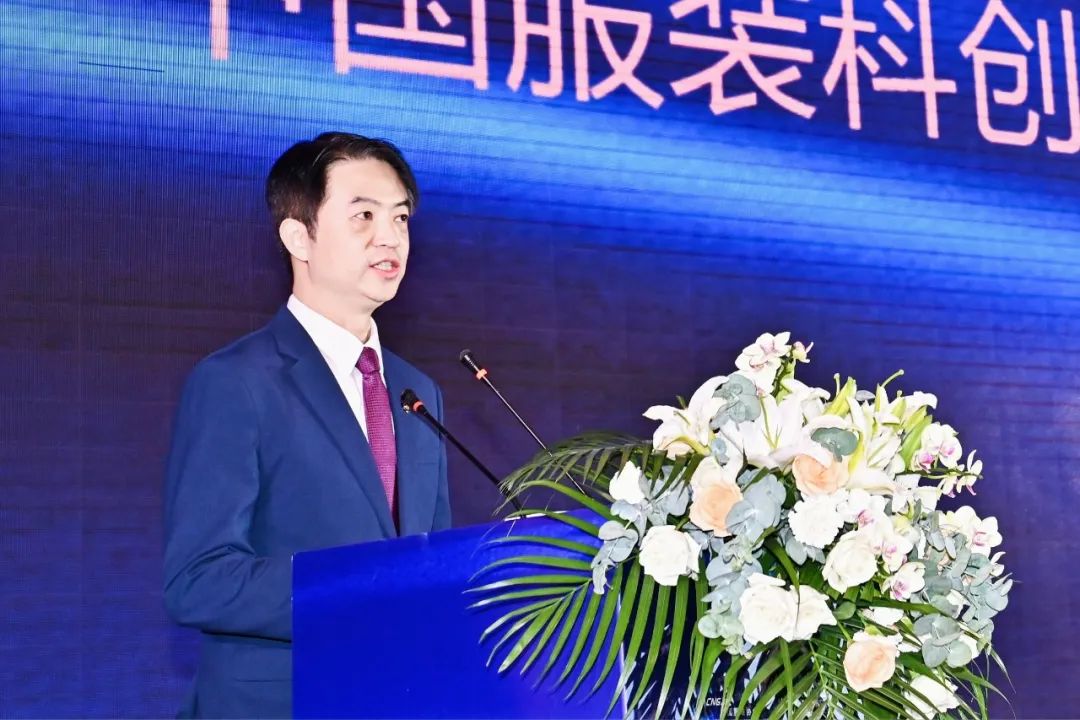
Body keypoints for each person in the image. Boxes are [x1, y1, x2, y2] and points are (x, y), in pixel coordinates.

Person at [162, 132, 451, 718]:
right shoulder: (237, 381)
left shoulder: (418, 392)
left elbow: (431, 559)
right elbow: (198, 579)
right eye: (364, 215)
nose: (390, 237)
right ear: (299, 237)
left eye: (400, 217)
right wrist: (362, 587)